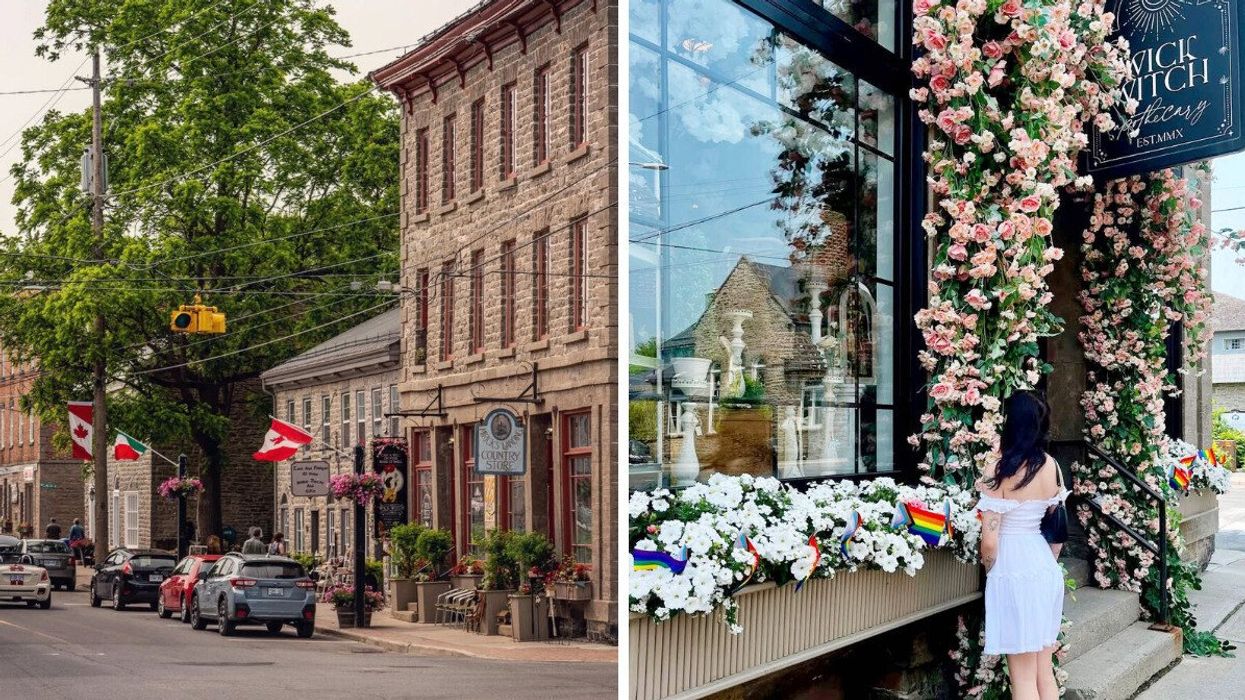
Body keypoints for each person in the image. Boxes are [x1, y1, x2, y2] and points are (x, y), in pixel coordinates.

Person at [976, 392, 1068, 700]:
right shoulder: (1052, 466)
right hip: (1042, 566)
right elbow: (1057, 531)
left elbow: (989, 542)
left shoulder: (997, 471)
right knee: (1044, 672)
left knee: (1022, 678)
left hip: (1013, 568)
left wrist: (991, 570)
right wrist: (1047, 562)